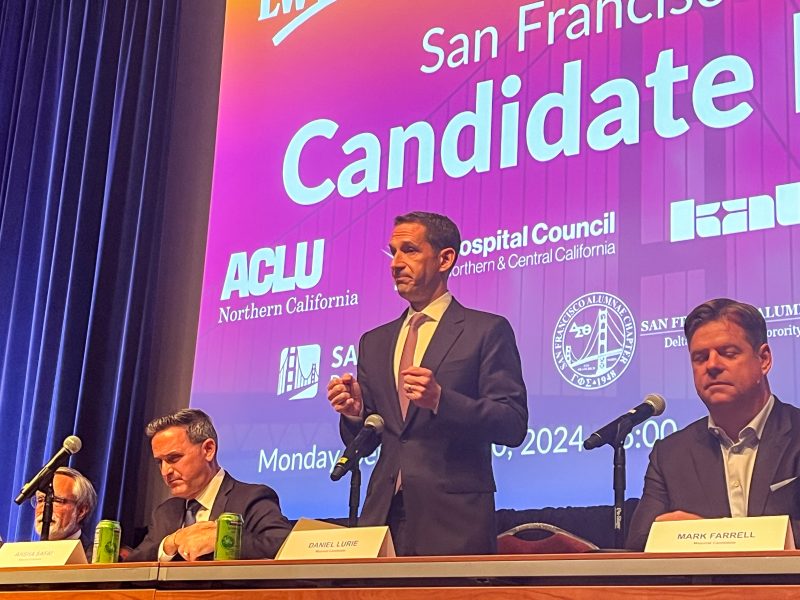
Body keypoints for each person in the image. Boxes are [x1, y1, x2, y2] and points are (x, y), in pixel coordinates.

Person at [327, 211, 528, 556]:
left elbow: (512, 424)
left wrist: (440, 400)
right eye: (393, 252)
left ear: (445, 259)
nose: (396, 263)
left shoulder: (485, 330)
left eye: (410, 250)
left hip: (454, 522)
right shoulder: (374, 342)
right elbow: (371, 440)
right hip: (382, 516)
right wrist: (357, 413)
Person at [627, 298, 800, 550]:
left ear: (763, 359)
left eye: (728, 353)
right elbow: (640, 544)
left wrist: (710, 536)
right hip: (701, 590)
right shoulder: (670, 454)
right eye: (700, 357)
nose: (712, 365)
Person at [126, 409, 292, 561]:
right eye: (159, 462)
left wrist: (223, 541)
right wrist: (169, 544)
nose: (165, 471)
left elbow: (284, 547)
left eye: (174, 458)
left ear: (208, 450)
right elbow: (130, 570)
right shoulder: (165, 512)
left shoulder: (251, 498)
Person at [32, 466, 97, 550]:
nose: (44, 509)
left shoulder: (96, 561)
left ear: (81, 511)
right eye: (40, 500)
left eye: (56, 500)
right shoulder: (23, 559)